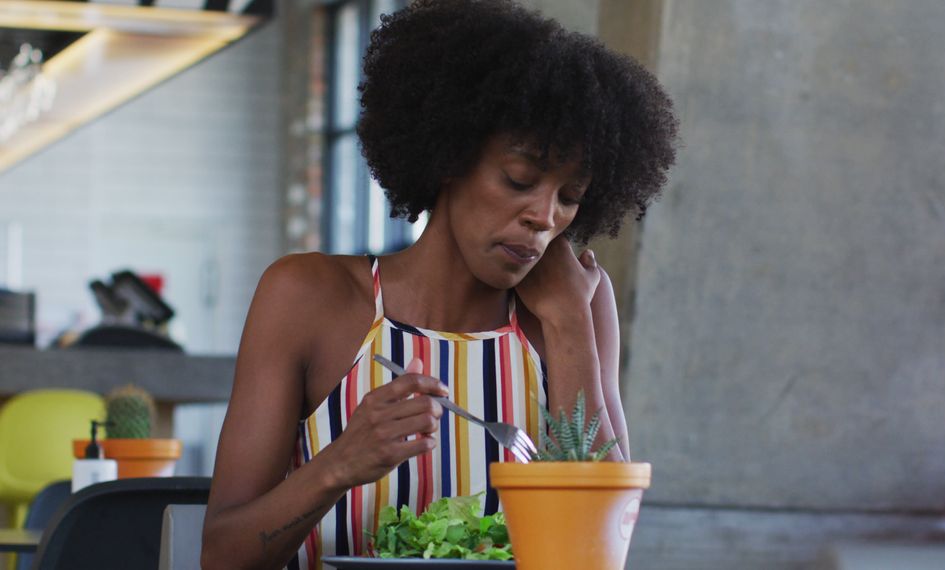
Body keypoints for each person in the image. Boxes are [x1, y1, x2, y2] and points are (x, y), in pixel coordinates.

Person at [201, 0, 677, 568]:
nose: (544, 216)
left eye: (569, 197)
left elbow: (601, 547)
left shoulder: (576, 305)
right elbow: (222, 555)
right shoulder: (308, 296)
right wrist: (338, 465)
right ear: (451, 155)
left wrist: (570, 324)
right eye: (519, 179)